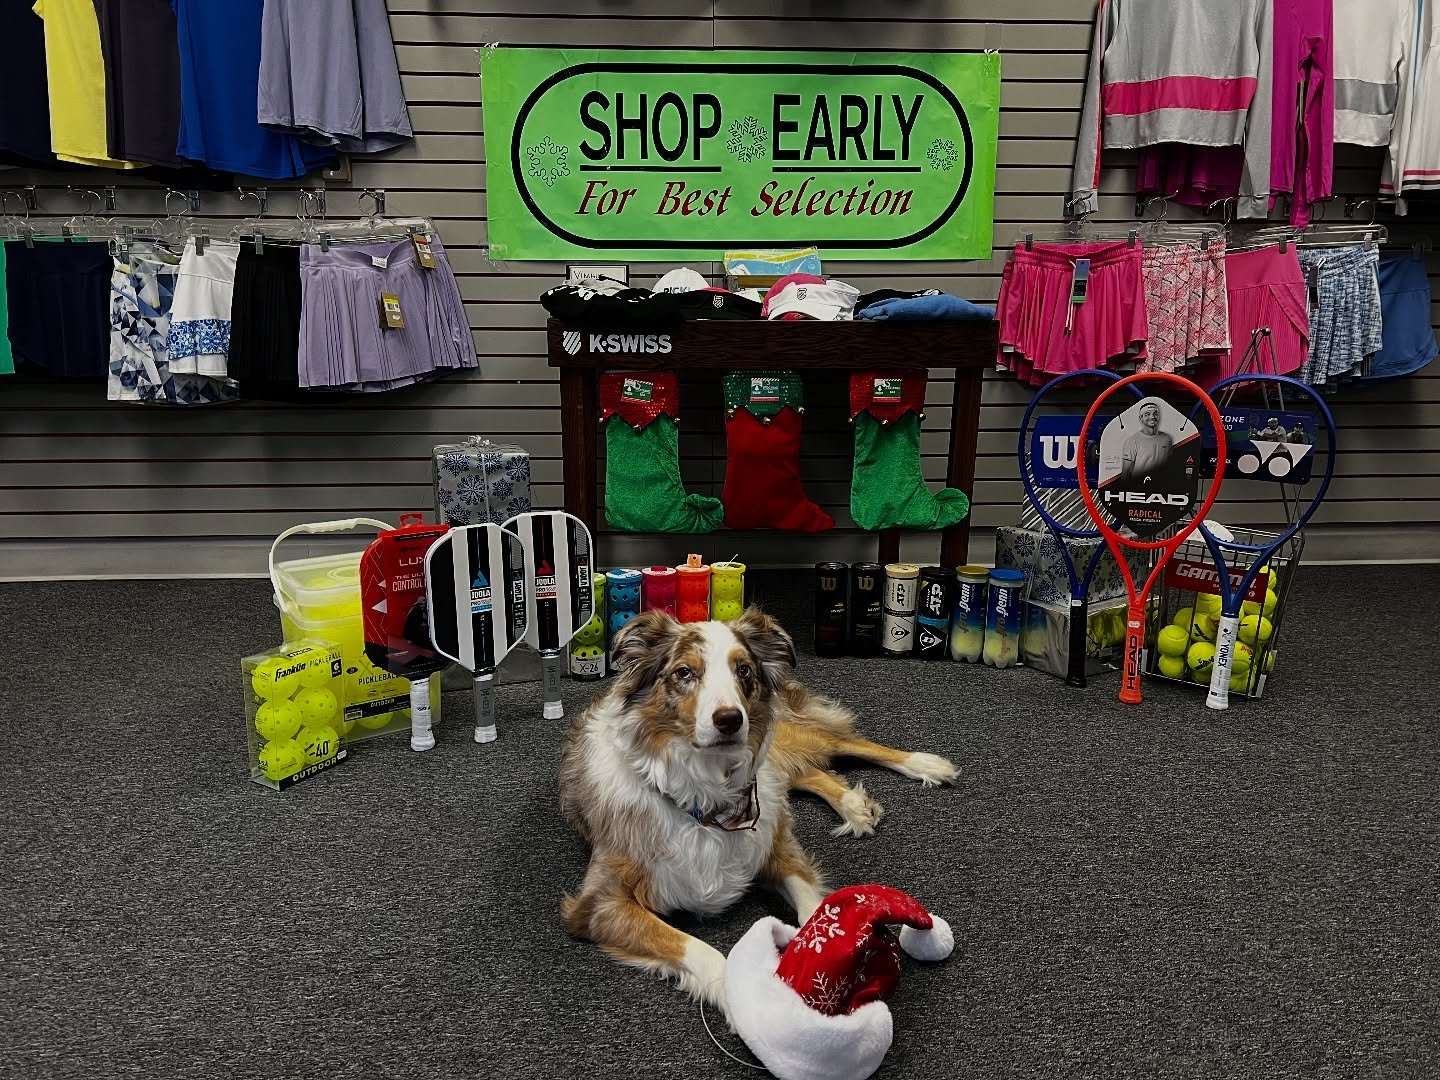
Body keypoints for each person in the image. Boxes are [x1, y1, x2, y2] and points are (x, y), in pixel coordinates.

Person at [1120, 401, 1173, 483]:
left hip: (1162, 486)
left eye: (1155, 413)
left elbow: (1170, 465)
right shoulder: (1132, 441)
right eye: (1147, 414)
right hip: (1139, 487)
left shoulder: (1167, 438)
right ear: (1141, 418)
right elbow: (1125, 473)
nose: (1152, 417)